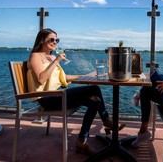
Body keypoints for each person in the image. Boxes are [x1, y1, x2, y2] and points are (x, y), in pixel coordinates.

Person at [27, 28, 125, 156]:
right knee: (94, 89)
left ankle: (81, 141)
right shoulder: (36, 56)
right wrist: (56, 61)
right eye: (51, 39)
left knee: (95, 101)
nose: (55, 42)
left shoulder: (50, 57)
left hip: (58, 95)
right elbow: (41, 79)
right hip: (48, 99)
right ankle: (106, 121)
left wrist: (84, 77)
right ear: (41, 40)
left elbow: (63, 77)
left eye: (57, 39)